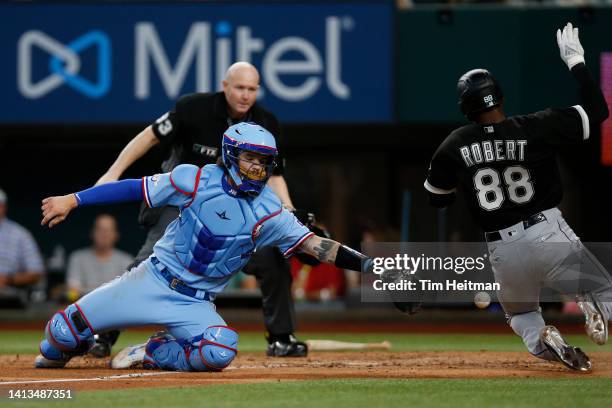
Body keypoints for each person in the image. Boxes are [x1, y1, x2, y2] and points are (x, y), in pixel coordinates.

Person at [35, 122, 370, 372]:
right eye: (249, 157)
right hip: (149, 280)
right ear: (230, 154)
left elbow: (318, 246)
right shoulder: (193, 180)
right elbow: (132, 189)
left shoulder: (271, 212)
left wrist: (373, 267)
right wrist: (73, 200)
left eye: (264, 161)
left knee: (219, 351)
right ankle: (63, 347)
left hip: (194, 303)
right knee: (59, 335)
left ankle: (155, 351)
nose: (257, 167)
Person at [424, 23, 611, 371]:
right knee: (606, 291)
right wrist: (577, 64)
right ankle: (590, 300)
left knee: (522, 314)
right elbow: (599, 112)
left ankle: (545, 339)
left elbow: (438, 198)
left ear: (465, 107)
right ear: (501, 96)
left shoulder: (454, 143)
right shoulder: (536, 126)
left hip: (503, 251)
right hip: (546, 232)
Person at [95, 61, 307, 357]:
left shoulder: (266, 123)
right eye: (239, 87)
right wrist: (112, 173)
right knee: (150, 259)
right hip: (182, 200)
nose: (245, 95)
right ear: (225, 86)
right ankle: (102, 335)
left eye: (251, 89)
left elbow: (275, 176)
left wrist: (289, 209)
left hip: (238, 207)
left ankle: (281, 338)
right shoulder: (193, 108)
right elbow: (149, 135)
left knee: (273, 258)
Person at [66, 214, 133, 357]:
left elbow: (128, 293)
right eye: (100, 230)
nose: (104, 235)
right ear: (93, 233)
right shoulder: (78, 257)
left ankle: (101, 341)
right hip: (84, 311)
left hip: (113, 315)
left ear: (116, 235)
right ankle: (87, 343)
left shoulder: (126, 259)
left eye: (108, 231)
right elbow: (73, 291)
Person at [0, 188, 45, 299]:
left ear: (3, 207)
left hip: (7, 297)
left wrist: (7, 279)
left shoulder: (20, 234)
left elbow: (37, 273)